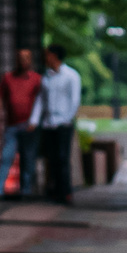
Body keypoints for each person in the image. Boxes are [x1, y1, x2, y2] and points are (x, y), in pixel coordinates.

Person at [34, 43, 83, 204]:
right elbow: (40, 100)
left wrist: (67, 119)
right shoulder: (46, 77)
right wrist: (34, 120)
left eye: (48, 55)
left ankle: (65, 191)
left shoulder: (71, 76)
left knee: (63, 158)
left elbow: (75, 100)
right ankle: (54, 190)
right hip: (49, 123)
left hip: (63, 123)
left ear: (54, 56)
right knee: (52, 158)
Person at [0, 47, 42, 198]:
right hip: (11, 125)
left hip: (29, 125)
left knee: (28, 158)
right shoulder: (8, 78)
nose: (23, 61)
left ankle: (26, 189)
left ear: (30, 60)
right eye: (20, 58)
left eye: (26, 58)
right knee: (6, 156)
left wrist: (36, 121)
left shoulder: (36, 79)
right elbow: (0, 99)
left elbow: (41, 101)